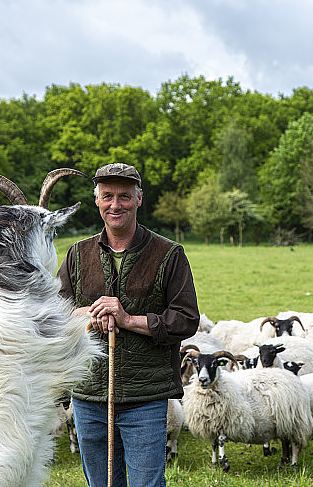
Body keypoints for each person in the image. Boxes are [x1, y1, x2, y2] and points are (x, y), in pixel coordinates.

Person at [58, 162, 199, 487]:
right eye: (107, 196)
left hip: (144, 399)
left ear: (139, 199)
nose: (115, 204)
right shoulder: (78, 255)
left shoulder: (168, 254)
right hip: (89, 396)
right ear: (97, 200)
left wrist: (128, 320)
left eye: (124, 196)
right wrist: (87, 315)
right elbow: (55, 315)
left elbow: (186, 318)